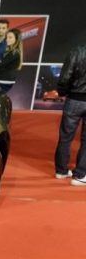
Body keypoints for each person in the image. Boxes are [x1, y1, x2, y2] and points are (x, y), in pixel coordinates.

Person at [54, 42, 86, 186]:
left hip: (74, 99)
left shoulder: (76, 51)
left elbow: (65, 77)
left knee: (65, 136)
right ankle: (80, 175)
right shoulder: (76, 51)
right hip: (75, 98)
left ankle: (61, 171)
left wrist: (63, 92)